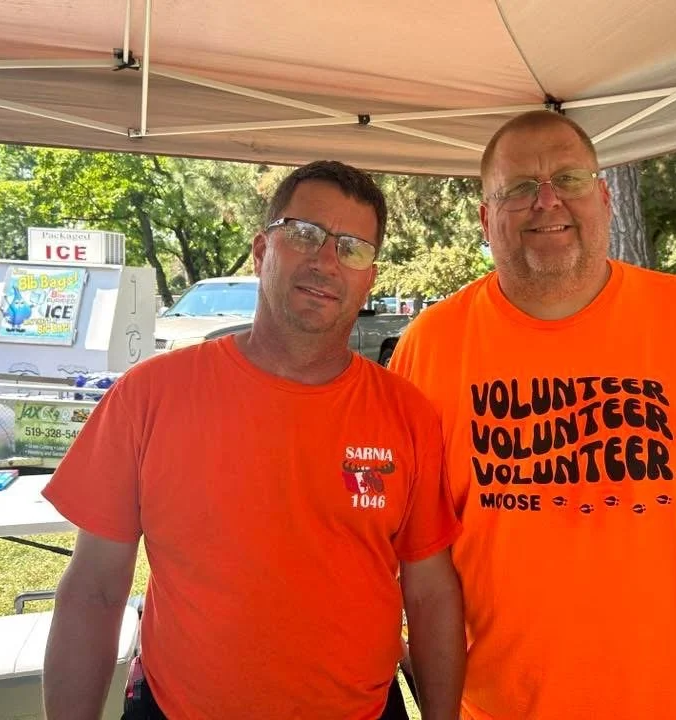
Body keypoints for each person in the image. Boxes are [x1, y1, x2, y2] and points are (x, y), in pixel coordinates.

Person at [389, 111, 676, 720]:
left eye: (568, 180)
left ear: (603, 197)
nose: (547, 202)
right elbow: (400, 526)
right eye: (518, 189)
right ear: (486, 217)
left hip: (670, 702)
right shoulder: (432, 344)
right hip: (496, 704)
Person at [42, 160, 465, 720]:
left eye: (352, 247)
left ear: (370, 278)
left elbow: (431, 593)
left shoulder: (406, 412)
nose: (325, 261)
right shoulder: (150, 394)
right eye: (304, 234)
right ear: (263, 251)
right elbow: (93, 589)